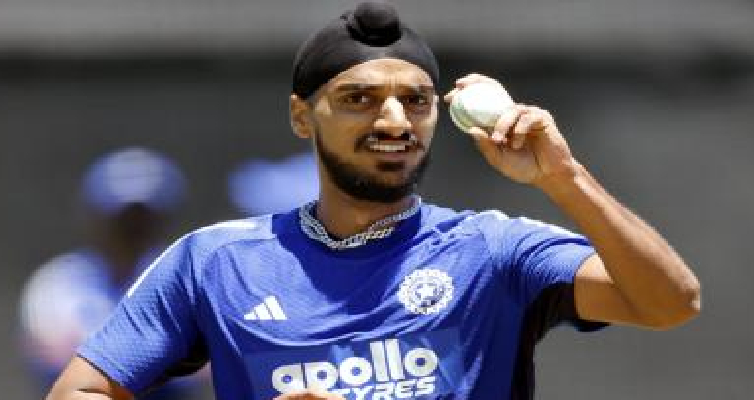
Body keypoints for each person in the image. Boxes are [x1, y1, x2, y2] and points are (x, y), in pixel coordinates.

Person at [45, 2, 700, 399]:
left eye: (415, 100)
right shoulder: (213, 263)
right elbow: (80, 389)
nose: (394, 119)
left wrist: (564, 178)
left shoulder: (495, 252)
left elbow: (670, 302)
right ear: (302, 117)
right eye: (358, 98)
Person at [20, 147, 204, 400]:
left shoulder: (189, 277)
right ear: (94, 216)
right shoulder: (57, 283)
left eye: (144, 218)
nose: (133, 228)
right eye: (123, 219)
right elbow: (52, 363)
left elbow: (202, 372)